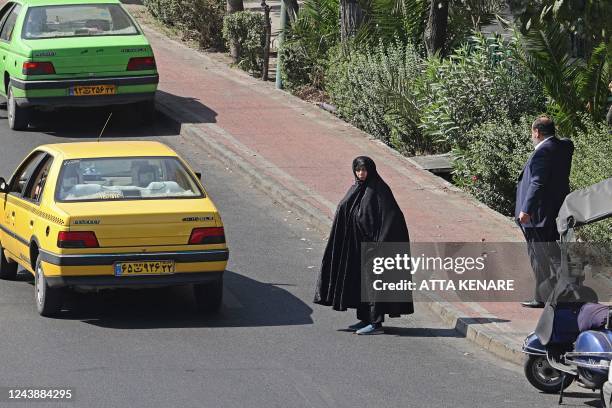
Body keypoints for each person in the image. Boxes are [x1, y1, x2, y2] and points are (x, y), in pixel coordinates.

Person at [314, 156, 414, 335]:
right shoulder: (357, 188)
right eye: (358, 170)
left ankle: (376, 324)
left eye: (364, 170)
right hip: (356, 246)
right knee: (360, 284)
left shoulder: (379, 190)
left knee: (373, 284)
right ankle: (365, 319)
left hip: (375, 247)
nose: (361, 173)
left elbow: (392, 217)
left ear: (371, 170)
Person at [516, 116, 574, 308]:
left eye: (532, 132)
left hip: (537, 215)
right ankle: (564, 291)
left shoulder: (543, 153)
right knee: (553, 253)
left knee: (538, 256)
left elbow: (537, 182)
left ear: (537, 132)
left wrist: (526, 210)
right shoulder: (563, 147)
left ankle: (542, 298)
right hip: (554, 211)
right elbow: (567, 142)